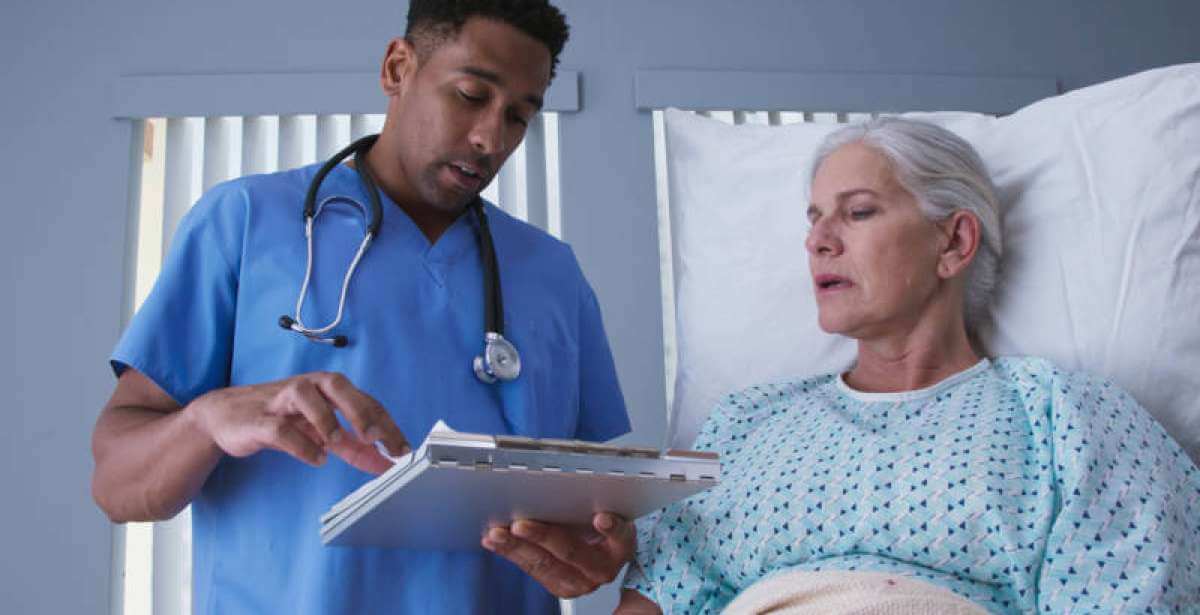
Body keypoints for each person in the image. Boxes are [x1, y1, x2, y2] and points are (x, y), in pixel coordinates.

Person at [90, 1, 634, 613]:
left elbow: (600, 513)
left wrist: (600, 549)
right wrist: (205, 419)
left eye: (518, 116)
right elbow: (116, 485)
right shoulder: (243, 223)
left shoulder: (551, 273)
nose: (490, 138)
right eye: (470, 95)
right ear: (398, 67)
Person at [602, 117, 1200, 613]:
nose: (819, 241)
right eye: (813, 219)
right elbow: (655, 599)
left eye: (858, 212)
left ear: (954, 243)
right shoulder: (746, 423)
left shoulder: (1068, 417)